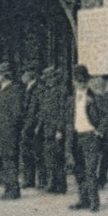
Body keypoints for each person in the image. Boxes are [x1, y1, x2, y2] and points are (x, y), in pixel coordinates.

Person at [67, 64, 108, 212]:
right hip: (76, 137)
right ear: (74, 81)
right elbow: (67, 120)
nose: (80, 84)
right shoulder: (70, 99)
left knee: (90, 171)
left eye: (83, 81)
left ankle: (94, 202)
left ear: (87, 81)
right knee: (79, 170)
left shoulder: (95, 97)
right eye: (78, 81)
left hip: (90, 137)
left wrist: (99, 131)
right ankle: (83, 200)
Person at [0, 63, 24, 200]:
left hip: (8, 133)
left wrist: (8, 129)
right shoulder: (2, 90)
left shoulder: (13, 91)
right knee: (5, 161)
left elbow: (16, 114)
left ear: (4, 76)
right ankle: (8, 188)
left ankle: (13, 190)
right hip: (0, 134)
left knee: (10, 161)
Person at [39, 65, 70, 194]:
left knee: (57, 158)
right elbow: (44, 112)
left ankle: (60, 185)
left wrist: (60, 129)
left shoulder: (61, 92)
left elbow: (63, 112)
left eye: (49, 78)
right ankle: (53, 183)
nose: (47, 81)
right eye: (46, 79)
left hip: (56, 130)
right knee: (49, 157)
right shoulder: (47, 92)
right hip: (48, 129)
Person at [18, 62, 44, 189]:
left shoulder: (38, 88)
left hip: (33, 126)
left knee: (37, 153)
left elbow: (40, 109)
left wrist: (36, 125)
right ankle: (29, 179)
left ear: (32, 74)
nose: (23, 75)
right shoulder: (26, 88)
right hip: (26, 125)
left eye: (25, 73)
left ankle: (42, 181)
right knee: (26, 153)